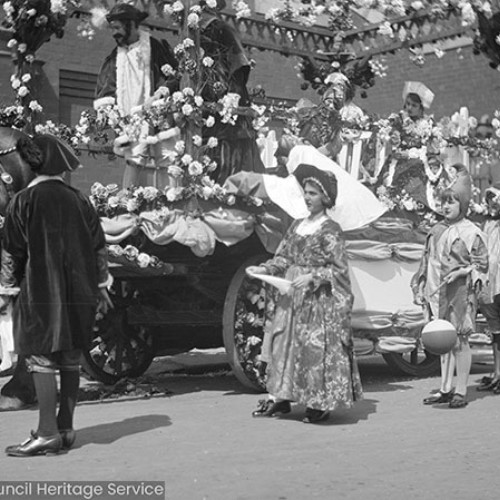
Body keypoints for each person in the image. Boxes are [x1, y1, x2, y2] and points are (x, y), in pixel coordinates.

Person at [0, 134, 113, 456]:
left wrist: (6, 291)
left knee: (41, 358)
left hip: (40, 294)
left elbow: (12, 252)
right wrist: (102, 286)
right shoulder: (80, 200)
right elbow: (98, 248)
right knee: (70, 357)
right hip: (80, 293)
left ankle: (46, 432)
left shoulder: (23, 201)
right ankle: (65, 428)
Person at [246, 163, 363, 423]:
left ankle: (317, 402)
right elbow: (284, 257)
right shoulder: (298, 225)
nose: (307, 197)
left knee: (312, 349)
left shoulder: (331, 230)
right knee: (283, 346)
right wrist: (263, 268)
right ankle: (280, 398)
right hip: (291, 297)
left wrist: (313, 276)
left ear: (325, 198)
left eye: (312, 193)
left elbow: (340, 271)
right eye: (306, 192)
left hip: (316, 300)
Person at [412, 164, 488, 409]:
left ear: (463, 205)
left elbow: (483, 265)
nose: (446, 207)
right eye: (444, 202)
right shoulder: (435, 230)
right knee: (442, 340)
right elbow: (427, 260)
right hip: (438, 293)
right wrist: (422, 285)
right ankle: (444, 388)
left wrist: (464, 271)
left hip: (460, 295)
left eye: (452, 202)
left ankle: (461, 389)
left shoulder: (472, 232)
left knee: (460, 341)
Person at [94, 3, 179, 188]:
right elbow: (106, 86)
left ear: (131, 25)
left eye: (117, 28)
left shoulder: (155, 48)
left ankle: (173, 204)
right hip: (133, 124)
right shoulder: (115, 57)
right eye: (112, 28)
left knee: (167, 160)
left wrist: (159, 94)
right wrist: (106, 110)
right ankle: (129, 207)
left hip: (158, 117)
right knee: (134, 165)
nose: (114, 33)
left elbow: (173, 77)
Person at [198, 0, 265, 182]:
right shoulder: (193, 31)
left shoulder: (221, 28)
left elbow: (239, 60)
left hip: (223, 91)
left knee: (228, 141)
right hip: (203, 92)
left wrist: (233, 94)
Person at [374, 81, 442, 210]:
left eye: (414, 105)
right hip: (399, 159)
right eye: (408, 104)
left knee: (420, 174)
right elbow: (389, 134)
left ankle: (417, 207)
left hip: (418, 161)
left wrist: (413, 153)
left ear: (421, 107)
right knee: (389, 181)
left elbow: (432, 147)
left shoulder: (428, 122)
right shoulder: (399, 119)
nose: (409, 108)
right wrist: (392, 139)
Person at [477, 183, 500, 393]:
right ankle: (496, 373)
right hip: (490, 283)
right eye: (490, 199)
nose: (492, 202)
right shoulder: (487, 224)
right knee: (495, 331)